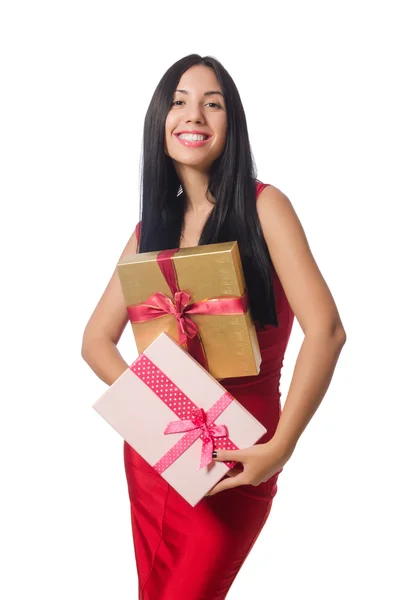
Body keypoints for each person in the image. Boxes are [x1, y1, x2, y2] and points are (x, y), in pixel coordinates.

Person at [81, 54, 347, 600]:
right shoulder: (148, 229)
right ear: (160, 122)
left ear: (233, 122)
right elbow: (94, 342)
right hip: (162, 447)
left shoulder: (265, 206)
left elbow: (327, 331)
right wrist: (159, 407)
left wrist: (281, 447)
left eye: (213, 103)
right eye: (177, 102)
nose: (193, 115)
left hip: (242, 453)